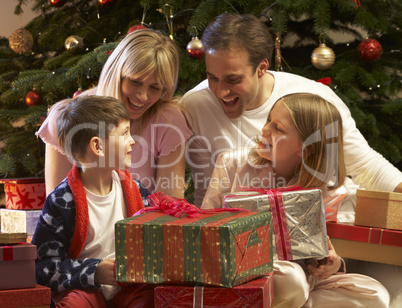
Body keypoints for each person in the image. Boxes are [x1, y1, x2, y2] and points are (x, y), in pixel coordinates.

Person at [181, 12, 402, 207]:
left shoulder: (314, 99)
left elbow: (366, 167)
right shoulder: (195, 106)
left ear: (261, 68)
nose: (220, 92)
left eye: (232, 79)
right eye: (212, 77)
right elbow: (207, 192)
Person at [202, 93, 390, 307]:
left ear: (306, 149)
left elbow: (327, 250)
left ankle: (290, 302)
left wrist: (333, 264)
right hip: (246, 272)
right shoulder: (232, 163)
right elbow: (204, 225)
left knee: (375, 295)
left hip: (305, 278)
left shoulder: (329, 190)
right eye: (268, 120)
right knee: (291, 279)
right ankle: (291, 298)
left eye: (278, 129)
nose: (264, 130)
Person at [37, 29, 192, 198]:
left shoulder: (169, 120)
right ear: (116, 73)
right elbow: (56, 206)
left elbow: (169, 206)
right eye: (135, 82)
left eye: (155, 87)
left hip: (142, 223)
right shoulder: (65, 116)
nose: (143, 96)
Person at [32, 96, 154, 307]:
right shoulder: (62, 202)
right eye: (124, 133)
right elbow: (43, 268)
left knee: (152, 299)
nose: (132, 140)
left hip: (129, 287)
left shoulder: (135, 189)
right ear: (97, 147)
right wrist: (94, 272)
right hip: (85, 290)